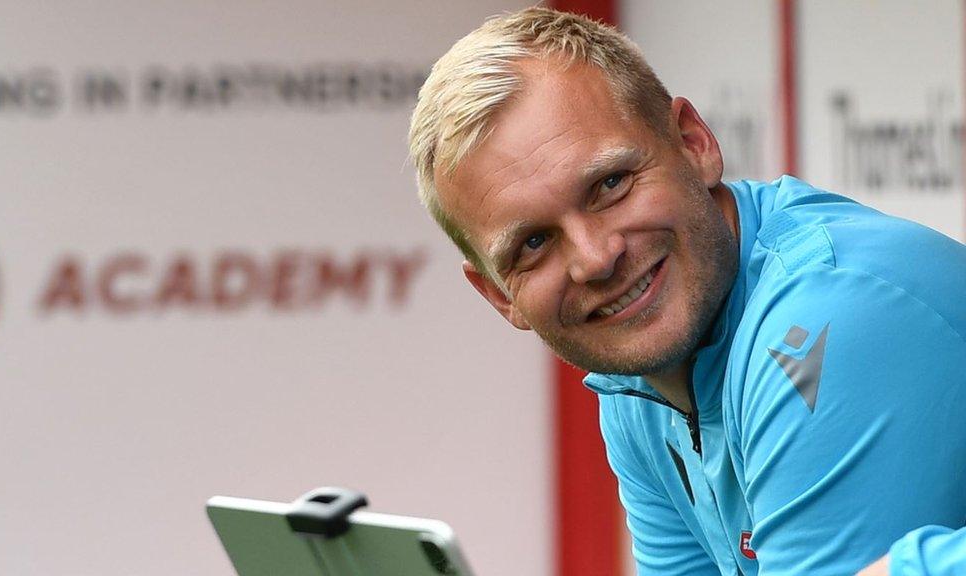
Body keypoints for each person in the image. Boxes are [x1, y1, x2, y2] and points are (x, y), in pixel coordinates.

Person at [408, 7, 966, 576]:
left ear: (694, 143)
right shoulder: (637, 377)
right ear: (499, 296)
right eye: (532, 244)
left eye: (610, 184)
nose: (596, 259)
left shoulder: (823, 319)